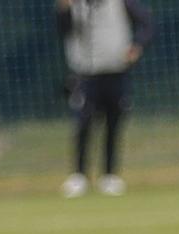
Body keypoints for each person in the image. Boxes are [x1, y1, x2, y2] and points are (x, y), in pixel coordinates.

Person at [57, 0, 153, 197]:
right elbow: (63, 30)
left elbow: (147, 23)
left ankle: (110, 176)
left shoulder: (120, 3)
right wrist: (64, 9)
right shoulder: (72, 5)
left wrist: (137, 46)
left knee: (114, 123)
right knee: (83, 123)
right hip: (85, 75)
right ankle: (79, 176)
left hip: (116, 72)